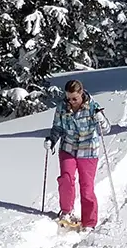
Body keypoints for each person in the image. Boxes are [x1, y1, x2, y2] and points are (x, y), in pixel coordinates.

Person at [46, 78, 109, 230]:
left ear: (81, 93)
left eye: (74, 98)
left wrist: (100, 119)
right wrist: (51, 140)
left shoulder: (93, 107)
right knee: (66, 179)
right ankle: (66, 211)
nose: (71, 101)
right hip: (68, 148)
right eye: (68, 98)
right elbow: (57, 128)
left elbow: (106, 129)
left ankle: (89, 221)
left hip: (88, 151)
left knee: (87, 187)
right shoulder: (62, 107)